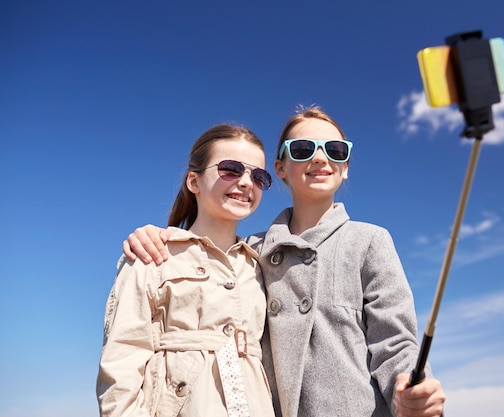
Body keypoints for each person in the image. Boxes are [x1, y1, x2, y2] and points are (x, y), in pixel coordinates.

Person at [123, 106, 446, 417]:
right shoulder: (248, 252)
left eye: (335, 149)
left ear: (345, 165)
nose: (320, 157)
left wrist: (410, 389)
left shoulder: (370, 241)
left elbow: (394, 341)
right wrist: (158, 236)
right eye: (304, 148)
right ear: (280, 169)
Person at [97, 124, 276, 417]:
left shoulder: (262, 266)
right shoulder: (152, 254)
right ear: (194, 181)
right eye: (231, 169)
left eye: (259, 176)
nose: (246, 182)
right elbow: (122, 362)